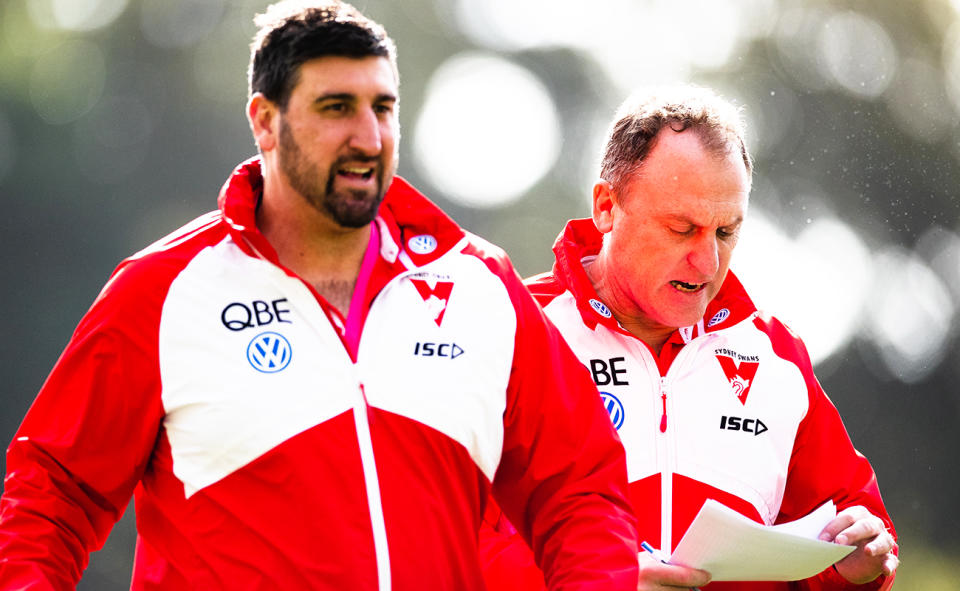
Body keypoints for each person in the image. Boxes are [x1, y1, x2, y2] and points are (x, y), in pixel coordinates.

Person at [0, 2, 641, 589]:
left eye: (382, 107)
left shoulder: (480, 283)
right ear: (266, 122)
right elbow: (52, 495)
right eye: (336, 107)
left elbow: (579, 491)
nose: (368, 137)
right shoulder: (164, 288)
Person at [481, 86, 898, 591]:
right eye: (682, 229)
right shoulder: (512, 331)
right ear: (607, 207)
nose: (707, 262)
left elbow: (855, 529)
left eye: (726, 233)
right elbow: (436, 538)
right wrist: (596, 576)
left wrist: (860, 564)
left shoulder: (775, 355)